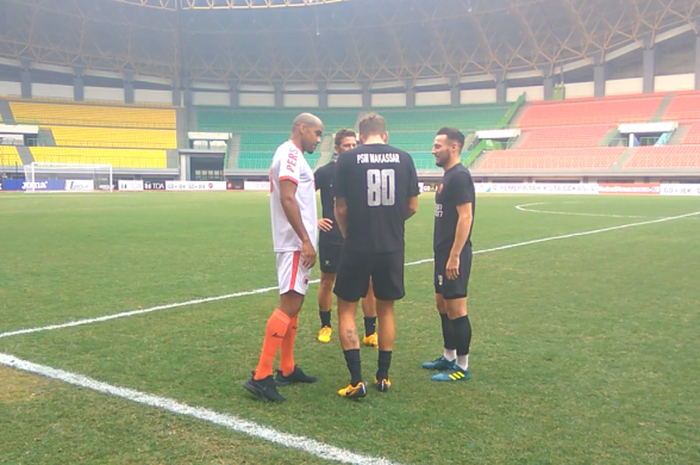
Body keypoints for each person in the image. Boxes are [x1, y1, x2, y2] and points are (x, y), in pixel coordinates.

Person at [333, 113, 420, 398]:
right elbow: (413, 206)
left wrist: (348, 234)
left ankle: (356, 381)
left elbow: (341, 208)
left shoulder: (346, 160)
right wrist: (391, 222)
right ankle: (383, 376)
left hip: (356, 243)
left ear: (359, 136)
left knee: (347, 309)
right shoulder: (404, 158)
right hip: (391, 245)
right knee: (386, 310)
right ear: (385, 135)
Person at [243, 113, 323, 403]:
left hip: (296, 243)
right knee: (289, 301)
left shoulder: (295, 155)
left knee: (296, 302)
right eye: (316, 132)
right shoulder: (289, 153)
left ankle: (286, 368)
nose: (318, 138)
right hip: (292, 243)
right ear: (302, 128)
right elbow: (287, 198)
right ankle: (261, 376)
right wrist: (304, 239)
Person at [314, 128, 378, 347]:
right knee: (327, 281)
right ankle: (326, 326)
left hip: (359, 235)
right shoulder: (324, 173)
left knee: (368, 283)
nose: (351, 149)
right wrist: (314, 220)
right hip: (332, 236)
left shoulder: (363, 171)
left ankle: (370, 332)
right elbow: (299, 196)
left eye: (354, 145)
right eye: (346, 145)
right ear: (337, 148)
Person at [422, 127, 475, 382]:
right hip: (442, 254)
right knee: (442, 305)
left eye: (437, 146)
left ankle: (462, 367)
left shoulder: (460, 177)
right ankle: (448, 356)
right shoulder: (447, 177)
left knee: (457, 309)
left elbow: (466, 217)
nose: (433, 150)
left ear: (453, 147)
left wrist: (454, 256)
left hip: (455, 255)